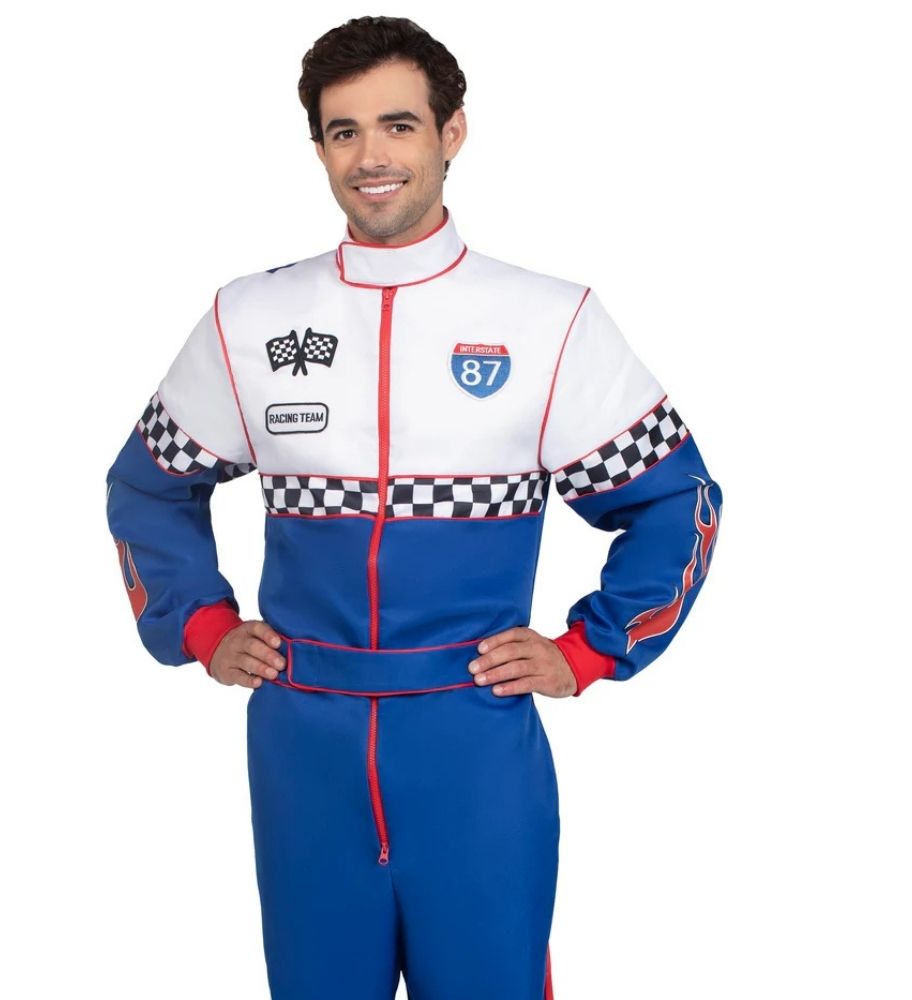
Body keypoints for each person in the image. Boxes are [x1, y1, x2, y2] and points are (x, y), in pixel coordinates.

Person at [105, 15, 722, 1000]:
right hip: (302, 745)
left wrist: (586, 651)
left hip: (473, 742)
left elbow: (676, 500)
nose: (371, 156)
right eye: (343, 131)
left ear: (451, 132)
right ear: (318, 148)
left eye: (398, 124)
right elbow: (147, 484)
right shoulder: (248, 318)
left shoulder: (549, 319)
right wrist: (202, 626)